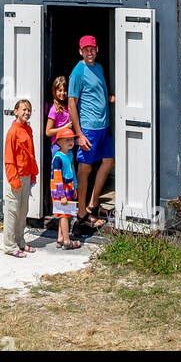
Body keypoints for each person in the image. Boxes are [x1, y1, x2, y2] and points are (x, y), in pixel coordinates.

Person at [67, 34, 114, 232]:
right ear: (80, 51)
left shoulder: (99, 67)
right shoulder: (78, 72)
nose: (89, 52)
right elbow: (71, 104)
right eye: (86, 49)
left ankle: (92, 205)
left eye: (92, 48)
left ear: (97, 49)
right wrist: (79, 134)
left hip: (104, 126)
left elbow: (100, 94)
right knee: (84, 170)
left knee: (108, 161)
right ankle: (81, 215)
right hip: (88, 128)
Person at [3, 98, 38, 258]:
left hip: (26, 176)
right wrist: (13, 178)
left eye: (29, 110)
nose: (26, 112)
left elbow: (30, 154)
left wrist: (33, 173)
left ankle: (20, 241)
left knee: (23, 211)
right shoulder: (13, 132)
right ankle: (9, 246)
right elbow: (9, 158)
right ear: (16, 111)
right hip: (15, 178)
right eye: (23, 109)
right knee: (12, 211)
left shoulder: (27, 130)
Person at [50, 127, 81, 250]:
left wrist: (75, 188)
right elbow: (57, 178)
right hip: (60, 191)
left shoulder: (70, 154)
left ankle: (60, 239)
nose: (70, 142)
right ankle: (67, 242)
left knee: (64, 213)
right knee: (64, 216)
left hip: (68, 189)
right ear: (59, 142)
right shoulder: (57, 158)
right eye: (67, 140)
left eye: (72, 139)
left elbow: (72, 171)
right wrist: (61, 195)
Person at [45, 75, 74, 151]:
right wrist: (65, 127)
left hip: (69, 145)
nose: (63, 93)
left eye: (65, 90)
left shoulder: (70, 106)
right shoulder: (54, 109)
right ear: (55, 91)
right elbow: (48, 132)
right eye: (60, 90)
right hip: (58, 146)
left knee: (69, 163)